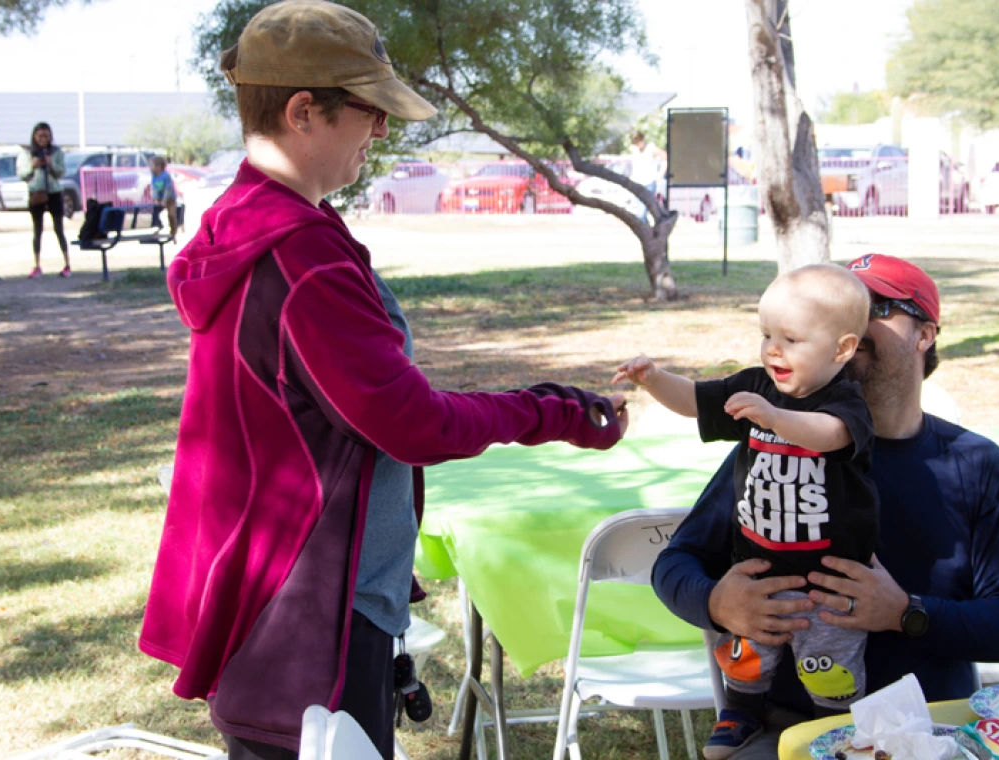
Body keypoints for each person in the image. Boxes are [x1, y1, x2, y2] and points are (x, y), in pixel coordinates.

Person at [136, 4, 629, 759]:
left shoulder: (248, 220)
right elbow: (410, 422)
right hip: (309, 607)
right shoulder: (302, 256)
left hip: (278, 590)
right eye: (370, 111)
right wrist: (548, 411)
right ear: (305, 112)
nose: (383, 131)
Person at [652, 253, 999, 758]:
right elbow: (674, 564)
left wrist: (905, 613)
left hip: (933, 730)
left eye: (875, 306)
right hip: (789, 728)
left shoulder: (974, 463)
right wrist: (717, 603)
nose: (848, 321)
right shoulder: (774, 442)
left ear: (924, 334)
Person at [615, 265, 878, 759]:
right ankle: (738, 711)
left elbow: (831, 435)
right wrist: (654, 380)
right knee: (747, 653)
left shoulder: (847, 403)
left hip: (828, 581)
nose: (773, 349)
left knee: (832, 664)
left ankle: (837, 729)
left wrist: (775, 417)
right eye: (766, 335)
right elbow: (697, 400)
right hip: (757, 567)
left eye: (792, 339)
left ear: (842, 349)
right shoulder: (759, 384)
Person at [16, 122, 71, 278]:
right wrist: (32, 166)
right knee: (37, 230)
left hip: (54, 192)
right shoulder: (27, 153)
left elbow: (61, 172)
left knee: (59, 229)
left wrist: (51, 163)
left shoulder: (56, 152)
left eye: (46, 136)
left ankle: (67, 264)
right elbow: (22, 174)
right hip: (36, 193)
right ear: (34, 136)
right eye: (40, 136)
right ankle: (37, 265)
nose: (43, 139)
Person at [628, 130, 666, 223]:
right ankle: (648, 233)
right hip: (636, 183)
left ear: (643, 139)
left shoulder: (651, 148)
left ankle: (648, 233)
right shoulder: (633, 149)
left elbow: (664, 156)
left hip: (648, 183)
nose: (638, 145)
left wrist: (660, 173)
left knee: (641, 214)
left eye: (639, 142)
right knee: (640, 213)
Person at [148, 156, 178, 239]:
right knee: (156, 213)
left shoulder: (166, 176)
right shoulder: (154, 176)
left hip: (170, 198)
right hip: (160, 199)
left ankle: (173, 232)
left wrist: (165, 200)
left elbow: (168, 189)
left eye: (152, 165)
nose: (150, 167)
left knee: (171, 215)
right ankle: (159, 226)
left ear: (159, 166)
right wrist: (156, 198)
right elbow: (154, 188)